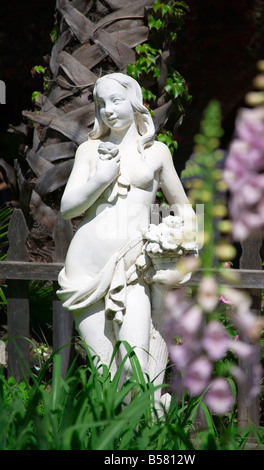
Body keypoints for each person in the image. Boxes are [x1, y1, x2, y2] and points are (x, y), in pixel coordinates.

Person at [57, 73, 196, 401]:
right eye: (101, 103)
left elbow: (185, 211)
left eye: (115, 101)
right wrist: (101, 178)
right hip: (85, 270)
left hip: (132, 270)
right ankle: (115, 442)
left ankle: (147, 439)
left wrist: (180, 238)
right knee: (105, 374)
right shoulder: (89, 152)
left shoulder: (157, 152)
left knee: (136, 370)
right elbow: (67, 208)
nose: (107, 110)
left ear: (134, 103)